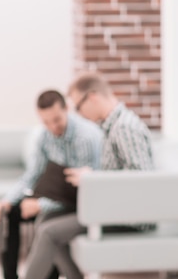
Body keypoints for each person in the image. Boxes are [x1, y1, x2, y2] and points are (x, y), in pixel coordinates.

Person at [22, 72, 155, 279]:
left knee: (49, 232)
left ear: (92, 97)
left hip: (126, 216)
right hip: (111, 208)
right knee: (44, 220)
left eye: (78, 106)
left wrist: (92, 178)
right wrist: (92, 175)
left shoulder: (124, 128)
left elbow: (140, 182)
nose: (79, 113)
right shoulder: (112, 126)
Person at [0, 89, 103, 279]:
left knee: (45, 225)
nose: (52, 127)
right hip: (58, 196)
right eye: (46, 122)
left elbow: (83, 193)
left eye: (56, 120)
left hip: (84, 203)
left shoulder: (84, 138)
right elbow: (33, 174)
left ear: (66, 109)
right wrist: (6, 201)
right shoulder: (44, 136)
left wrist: (41, 205)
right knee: (10, 213)